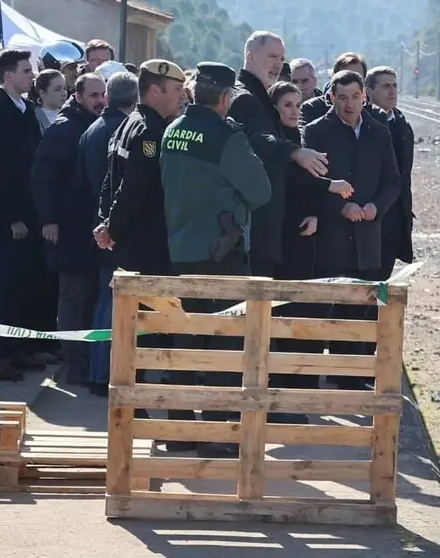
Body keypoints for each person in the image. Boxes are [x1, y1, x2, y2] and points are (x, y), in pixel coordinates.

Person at [160, 61, 271, 458]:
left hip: (181, 251)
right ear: (226, 97)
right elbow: (261, 191)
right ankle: (217, 431)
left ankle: (178, 429)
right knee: (225, 343)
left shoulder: (172, 130)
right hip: (222, 254)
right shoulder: (226, 137)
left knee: (185, 340)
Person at [93, 59, 186, 406]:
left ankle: (137, 402)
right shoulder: (150, 131)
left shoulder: (128, 123)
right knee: (147, 331)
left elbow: (109, 182)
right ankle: (141, 406)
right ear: (154, 91)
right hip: (147, 247)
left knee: (136, 328)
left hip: (132, 244)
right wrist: (113, 228)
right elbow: (133, 187)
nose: (181, 96)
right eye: (175, 90)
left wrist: (106, 223)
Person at [301, 69, 401, 391]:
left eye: (355, 97)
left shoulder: (378, 132)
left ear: (364, 97)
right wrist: (339, 207)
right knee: (323, 309)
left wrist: (375, 207)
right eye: (342, 98)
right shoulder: (316, 132)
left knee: (359, 309)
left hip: (367, 236)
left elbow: (393, 181)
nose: (349, 104)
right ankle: (309, 376)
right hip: (330, 239)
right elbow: (309, 183)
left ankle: (348, 376)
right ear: (331, 97)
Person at [268, 80, 353, 420]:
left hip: (305, 241)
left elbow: (309, 189)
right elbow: (293, 181)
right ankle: (284, 397)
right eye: (287, 105)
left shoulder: (299, 139)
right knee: (286, 320)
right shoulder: (279, 145)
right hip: (283, 241)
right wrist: (330, 187)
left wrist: (318, 211)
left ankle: (300, 394)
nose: (294, 111)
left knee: (306, 317)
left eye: (297, 105)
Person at [228, 31, 330, 279]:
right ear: (251, 56)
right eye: (272, 56)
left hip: (268, 226)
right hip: (254, 226)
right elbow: (256, 139)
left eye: (282, 58)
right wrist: (295, 152)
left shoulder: (260, 95)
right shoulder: (244, 98)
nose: (278, 64)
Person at [0, 49, 50, 381]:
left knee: (23, 284)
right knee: (3, 285)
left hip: (29, 214)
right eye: (26, 71)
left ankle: (15, 348)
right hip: (10, 220)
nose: (31, 76)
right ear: (8, 75)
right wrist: (13, 218)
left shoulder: (25, 110)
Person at [30, 73, 105, 386]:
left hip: (87, 228)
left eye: (103, 95)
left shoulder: (91, 125)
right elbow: (43, 178)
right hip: (68, 229)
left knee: (87, 299)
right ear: (78, 96)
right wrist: (49, 220)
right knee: (73, 298)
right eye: (93, 95)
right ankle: (74, 365)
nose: (100, 101)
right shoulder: (63, 130)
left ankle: (83, 361)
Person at [80, 72, 137, 395]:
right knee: (111, 303)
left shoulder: (94, 129)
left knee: (106, 300)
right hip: (114, 228)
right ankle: (103, 372)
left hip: (100, 223)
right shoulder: (123, 129)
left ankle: (99, 370)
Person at [365, 66, 415, 279]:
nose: (392, 91)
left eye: (394, 85)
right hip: (369, 211)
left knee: (383, 277)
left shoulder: (402, 125)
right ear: (369, 91)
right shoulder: (363, 124)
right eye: (385, 86)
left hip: (395, 213)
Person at [299, 52, 367, 127]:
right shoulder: (312, 108)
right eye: (345, 77)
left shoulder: (373, 113)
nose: (351, 83)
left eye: (356, 77)